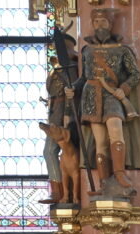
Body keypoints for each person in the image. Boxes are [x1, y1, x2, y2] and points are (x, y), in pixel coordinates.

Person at [66, 8, 140, 197]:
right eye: (96, 22)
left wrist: (123, 88)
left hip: (111, 94)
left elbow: (136, 74)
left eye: (103, 22)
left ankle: (119, 174)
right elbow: (84, 77)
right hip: (91, 95)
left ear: (110, 24)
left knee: (116, 131)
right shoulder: (87, 51)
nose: (99, 25)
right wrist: (73, 88)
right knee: (100, 141)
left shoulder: (122, 50)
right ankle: (103, 181)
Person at [39, 34, 77, 205]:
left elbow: (71, 93)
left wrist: (68, 116)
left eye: (58, 46)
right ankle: (59, 191)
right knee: (50, 152)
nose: (54, 49)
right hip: (54, 113)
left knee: (50, 151)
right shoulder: (57, 68)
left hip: (64, 117)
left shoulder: (71, 68)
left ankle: (59, 192)